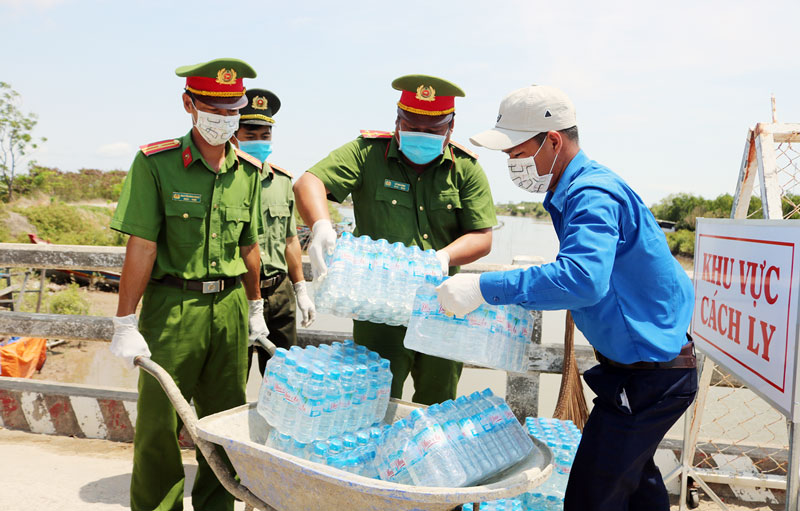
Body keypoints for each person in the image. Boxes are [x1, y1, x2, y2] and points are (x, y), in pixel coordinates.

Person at [436, 85, 698, 511]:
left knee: (591, 497)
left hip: (649, 376)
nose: (512, 164)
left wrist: (483, 288)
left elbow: (582, 280)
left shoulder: (590, 193)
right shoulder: (577, 188)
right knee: (636, 483)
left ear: (552, 141)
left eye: (516, 154)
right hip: (645, 369)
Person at [108, 58, 268, 511]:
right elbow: (142, 245)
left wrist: (255, 308)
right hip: (172, 308)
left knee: (225, 422)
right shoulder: (156, 164)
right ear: (188, 104)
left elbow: (249, 247)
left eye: (231, 109)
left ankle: (217, 506)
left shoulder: (250, 173)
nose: (223, 119)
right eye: (212, 107)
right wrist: (124, 321)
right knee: (159, 422)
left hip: (231, 308)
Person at [293, 74, 497, 405]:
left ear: (451, 127)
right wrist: (320, 226)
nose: (422, 137)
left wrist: (441, 258)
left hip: (441, 307)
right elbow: (308, 182)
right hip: (378, 308)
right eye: (412, 127)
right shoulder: (367, 153)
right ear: (398, 121)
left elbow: (482, 236)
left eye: (432, 131)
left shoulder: (465, 168)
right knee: (375, 403)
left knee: (439, 402)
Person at [235, 87, 316, 376]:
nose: (259, 142)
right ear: (234, 136)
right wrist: (252, 305)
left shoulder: (282, 181)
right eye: (250, 135)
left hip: (280, 293)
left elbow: (291, 240)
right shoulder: (224, 180)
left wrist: (301, 289)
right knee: (233, 378)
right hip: (238, 292)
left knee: (284, 380)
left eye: (265, 136)